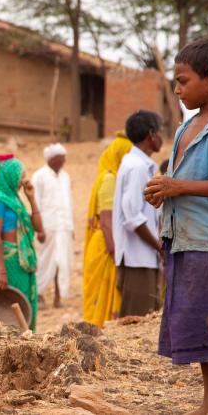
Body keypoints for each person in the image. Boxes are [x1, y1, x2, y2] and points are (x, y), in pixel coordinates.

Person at [145, 36, 208, 415]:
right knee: (201, 329)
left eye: (183, 80)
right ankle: (207, 403)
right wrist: (164, 192)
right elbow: (184, 182)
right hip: (184, 241)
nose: (177, 88)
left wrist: (176, 185)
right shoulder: (187, 126)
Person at [112, 110, 163, 317]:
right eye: (160, 132)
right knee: (137, 320)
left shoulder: (139, 165)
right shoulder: (137, 167)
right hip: (137, 259)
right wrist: (159, 247)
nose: (161, 137)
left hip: (141, 257)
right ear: (151, 134)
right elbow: (132, 216)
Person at [82, 133, 132, 327]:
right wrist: (114, 251)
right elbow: (106, 221)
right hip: (106, 243)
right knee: (101, 295)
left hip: (106, 241)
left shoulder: (109, 177)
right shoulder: (110, 180)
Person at [0, 155, 44, 330]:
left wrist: (31, 199)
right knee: (10, 309)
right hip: (9, 261)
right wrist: (1, 271)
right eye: (20, 176)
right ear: (9, 176)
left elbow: (39, 228)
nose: (23, 181)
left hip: (23, 264)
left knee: (25, 304)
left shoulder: (16, 200)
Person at [31, 143, 73, 309]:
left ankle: (58, 297)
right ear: (52, 159)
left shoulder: (65, 176)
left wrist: (71, 228)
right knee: (44, 262)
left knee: (62, 262)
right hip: (48, 227)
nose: (63, 162)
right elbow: (35, 203)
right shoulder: (39, 176)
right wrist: (39, 229)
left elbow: (69, 202)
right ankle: (39, 295)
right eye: (60, 159)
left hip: (64, 227)